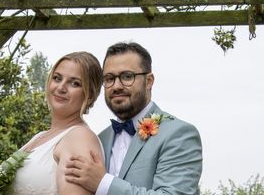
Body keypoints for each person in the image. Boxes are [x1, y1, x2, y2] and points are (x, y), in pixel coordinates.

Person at [64, 42, 203, 195]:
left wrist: (103, 183)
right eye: (109, 79)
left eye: (127, 76)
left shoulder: (179, 134)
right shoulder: (99, 140)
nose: (116, 86)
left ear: (149, 81)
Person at [10, 51, 105, 195]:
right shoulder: (40, 136)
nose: (61, 88)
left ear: (90, 94)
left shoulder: (79, 138)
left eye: (75, 83)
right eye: (57, 78)